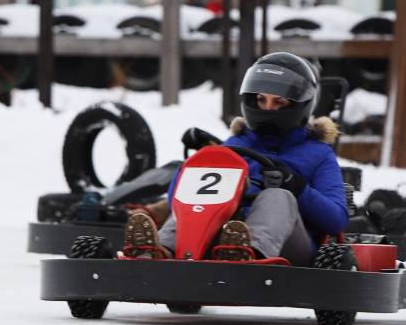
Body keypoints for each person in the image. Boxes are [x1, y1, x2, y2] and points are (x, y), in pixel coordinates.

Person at [123, 52, 348, 266]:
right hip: (226, 236)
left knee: (278, 196)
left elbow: (336, 220)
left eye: (279, 102)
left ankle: (249, 254)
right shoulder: (235, 145)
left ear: (299, 104)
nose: (268, 108)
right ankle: (159, 251)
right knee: (198, 204)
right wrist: (192, 170)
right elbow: (177, 202)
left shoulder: (319, 154)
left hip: (291, 244)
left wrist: (298, 188)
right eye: (261, 100)